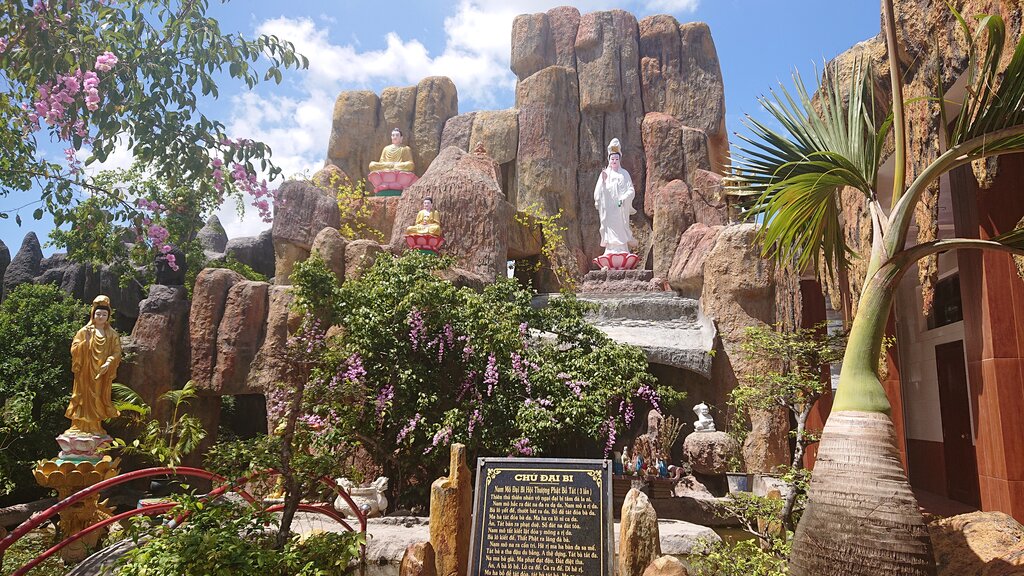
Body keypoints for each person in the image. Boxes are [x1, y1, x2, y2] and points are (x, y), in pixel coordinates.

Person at [66, 295, 121, 435]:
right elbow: (74, 348)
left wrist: (108, 362)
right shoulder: (85, 331)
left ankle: (95, 426)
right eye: (98, 314)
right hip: (85, 371)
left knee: (97, 396)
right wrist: (85, 343)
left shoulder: (112, 334)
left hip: (101, 372)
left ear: (108, 316)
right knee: (83, 396)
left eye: (104, 314)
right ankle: (79, 426)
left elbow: (117, 352)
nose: (101, 317)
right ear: (93, 314)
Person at [593, 138, 636, 255]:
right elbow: (598, 193)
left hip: (621, 208)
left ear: (620, 159)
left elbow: (631, 190)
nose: (614, 161)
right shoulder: (605, 174)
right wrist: (603, 182)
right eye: (612, 159)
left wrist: (624, 198)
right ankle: (610, 249)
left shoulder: (624, 174)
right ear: (609, 159)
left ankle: (623, 249)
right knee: (609, 227)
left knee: (621, 227)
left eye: (616, 158)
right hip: (609, 209)